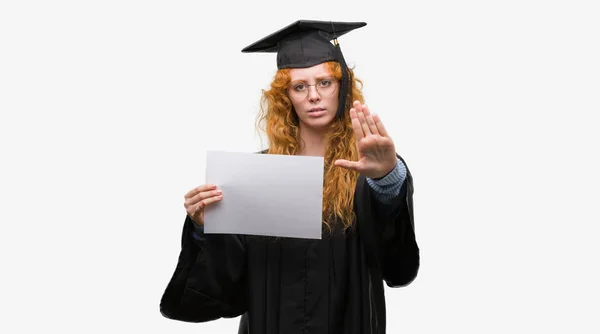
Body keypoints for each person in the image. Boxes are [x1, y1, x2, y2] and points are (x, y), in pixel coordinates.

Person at [159, 20, 419, 334]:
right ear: (287, 98)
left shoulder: (368, 172)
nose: (313, 95)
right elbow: (224, 290)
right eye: (300, 86)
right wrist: (204, 226)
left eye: (324, 82)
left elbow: (399, 269)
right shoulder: (257, 178)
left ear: (343, 87)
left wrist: (387, 180)